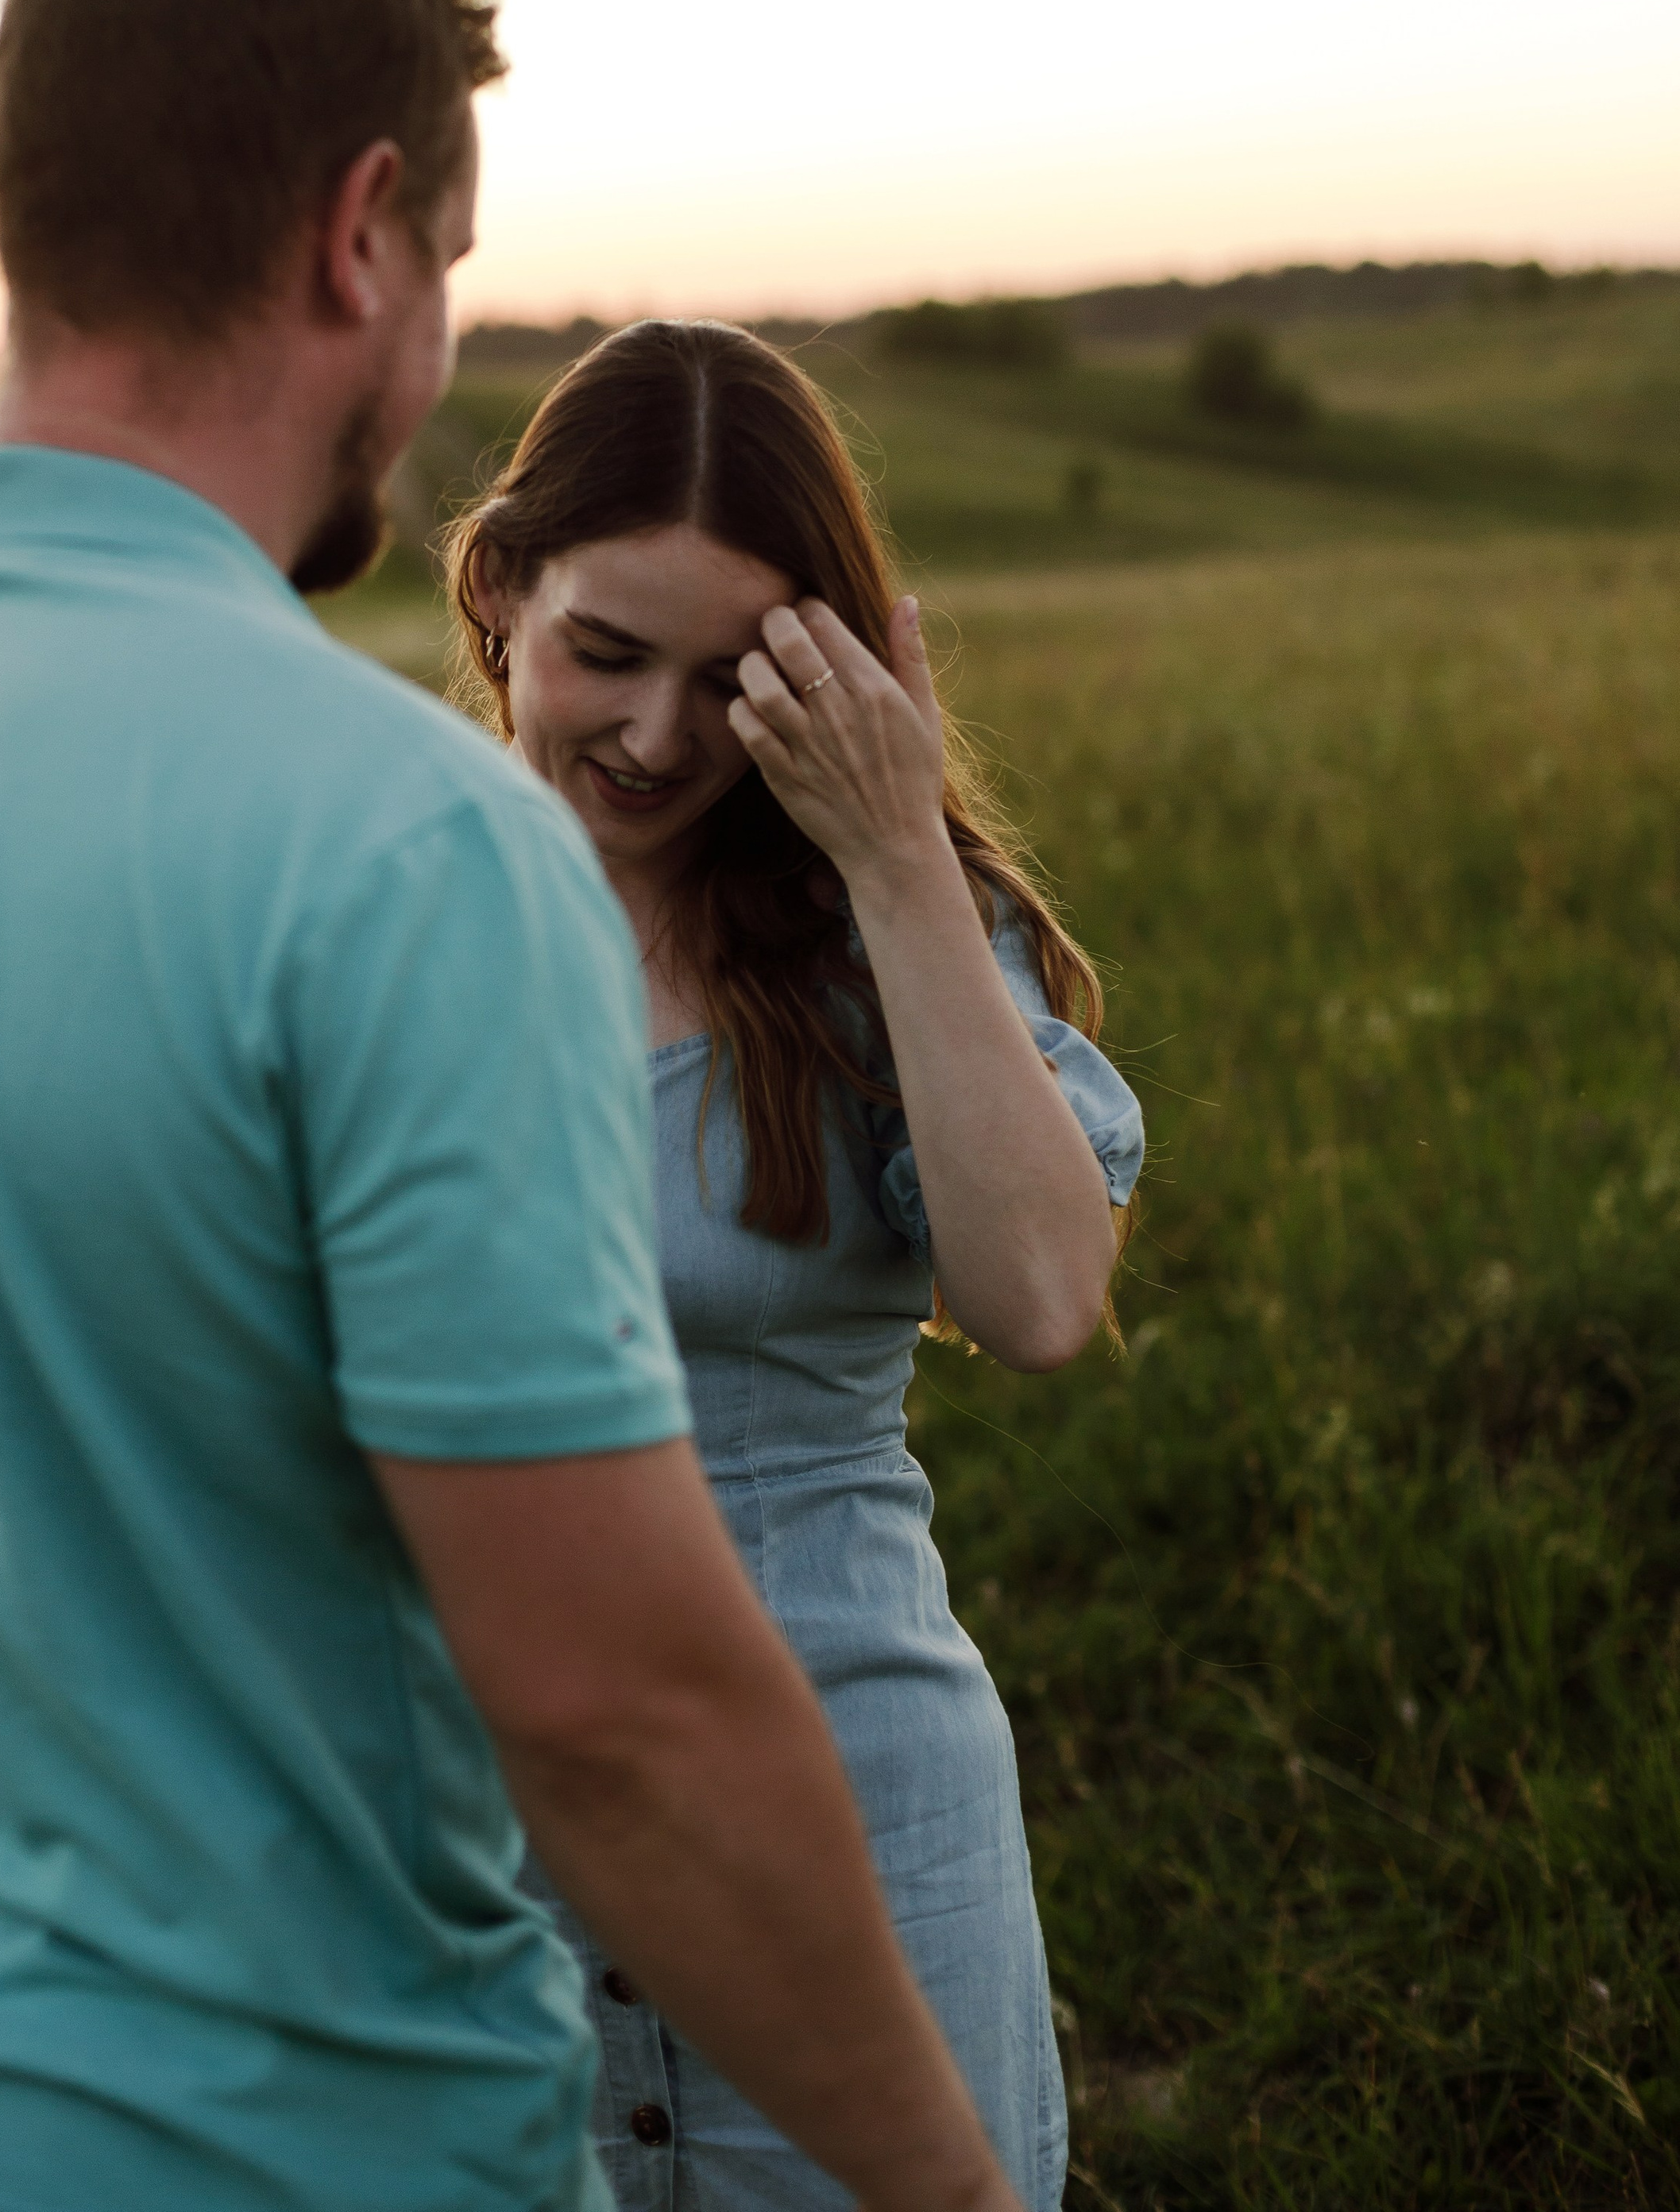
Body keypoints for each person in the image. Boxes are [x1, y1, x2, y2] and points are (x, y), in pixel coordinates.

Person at [0, 0, 1026, 2212]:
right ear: (361, 229)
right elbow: (617, 1714)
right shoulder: (398, 840)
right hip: (295, 2146)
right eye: (455, 266)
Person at [445, 319, 1147, 2212]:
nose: (661, 737)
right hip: (464, 1841)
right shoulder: (388, 898)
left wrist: (897, 856)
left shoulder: (869, 932)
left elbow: (1035, 1298)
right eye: (608, 653)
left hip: (854, 1813)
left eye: (732, 672)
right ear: (504, 586)